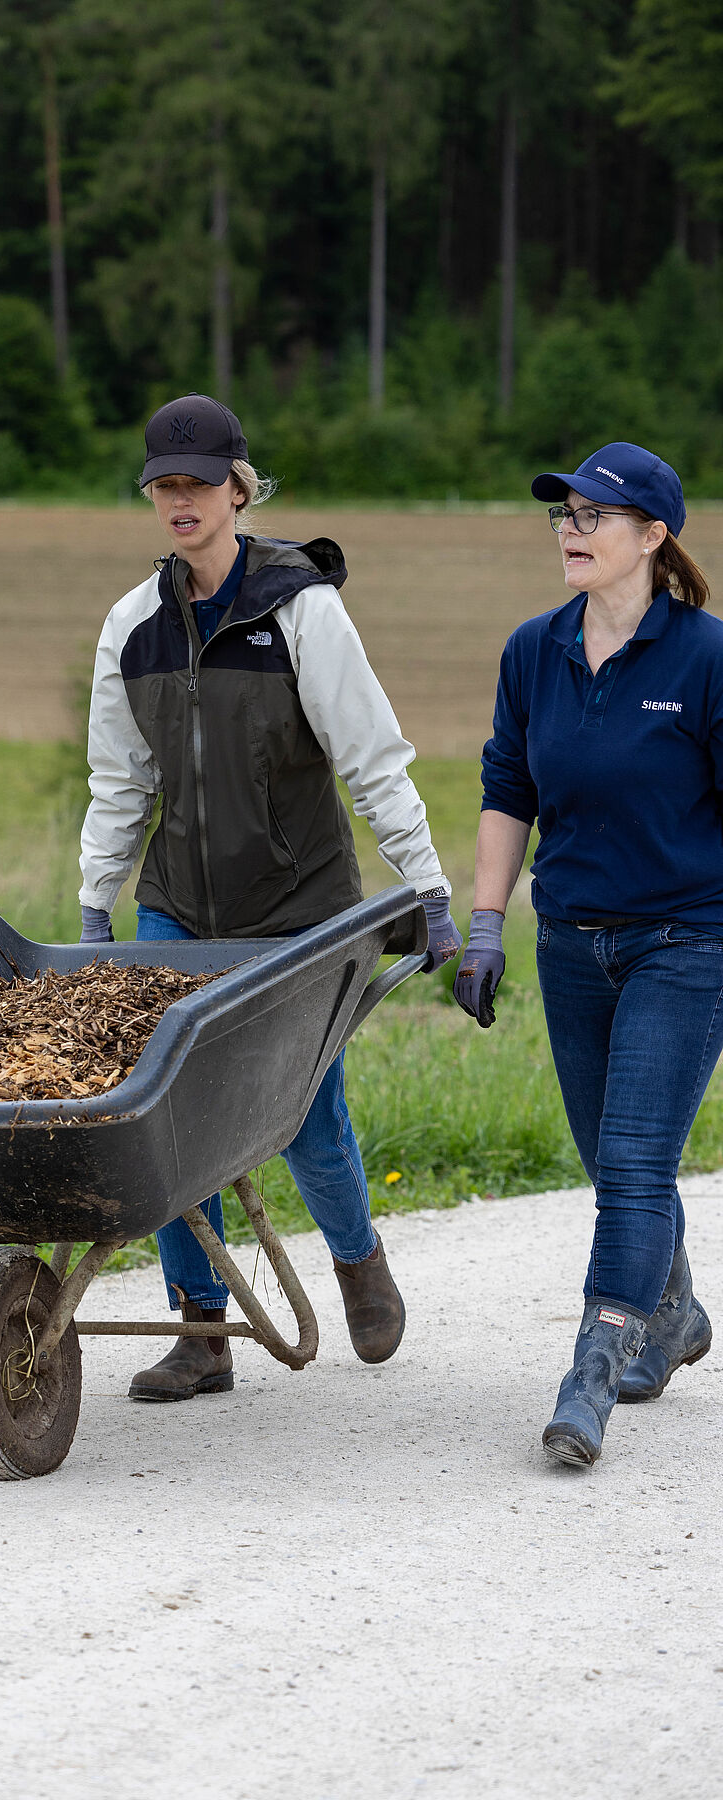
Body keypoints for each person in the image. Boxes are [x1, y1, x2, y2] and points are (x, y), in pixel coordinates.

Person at [78, 392, 462, 1402]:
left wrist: (427, 890)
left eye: (200, 483)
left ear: (238, 490)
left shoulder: (302, 612)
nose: (181, 500)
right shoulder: (133, 626)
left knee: (304, 1110)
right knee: (160, 1107)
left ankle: (356, 1262)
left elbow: (374, 760)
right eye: (165, 483)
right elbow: (120, 781)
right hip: (178, 908)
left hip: (298, 906)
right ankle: (203, 1333)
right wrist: (92, 907)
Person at [454, 441, 717, 1467]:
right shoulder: (534, 650)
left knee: (635, 1165)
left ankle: (590, 1373)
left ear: (654, 536)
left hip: (688, 940)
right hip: (571, 941)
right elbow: (507, 788)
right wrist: (485, 925)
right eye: (563, 513)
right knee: (609, 1159)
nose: (571, 529)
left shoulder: (706, 658)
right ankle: (676, 1313)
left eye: (594, 515)